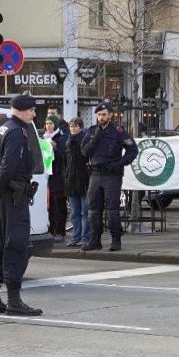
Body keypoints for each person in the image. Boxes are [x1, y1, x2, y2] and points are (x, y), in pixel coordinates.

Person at [0, 94, 43, 316]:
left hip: (1, 197)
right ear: (22, 110)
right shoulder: (16, 132)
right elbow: (7, 166)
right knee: (16, 247)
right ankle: (14, 301)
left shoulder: (1, 129)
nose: (34, 114)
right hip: (12, 198)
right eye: (32, 110)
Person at [81, 102, 138, 252]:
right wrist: (94, 139)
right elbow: (84, 152)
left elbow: (133, 150)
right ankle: (95, 240)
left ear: (111, 115)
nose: (101, 117)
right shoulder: (92, 131)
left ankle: (116, 240)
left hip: (112, 175)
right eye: (99, 115)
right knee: (93, 208)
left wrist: (120, 163)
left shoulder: (118, 131)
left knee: (112, 209)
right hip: (95, 174)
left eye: (104, 115)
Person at [64, 117, 91, 248]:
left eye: (75, 126)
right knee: (75, 212)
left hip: (84, 180)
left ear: (80, 127)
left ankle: (85, 237)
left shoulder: (85, 139)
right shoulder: (68, 141)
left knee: (85, 212)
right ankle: (76, 236)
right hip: (72, 181)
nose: (73, 128)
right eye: (71, 126)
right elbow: (66, 162)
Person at [44, 115, 68, 243]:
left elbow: (64, 156)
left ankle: (60, 231)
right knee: (50, 206)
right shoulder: (44, 138)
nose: (48, 126)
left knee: (59, 206)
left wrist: (55, 148)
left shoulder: (61, 138)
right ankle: (51, 230)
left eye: (51, 123)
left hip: (58, 177)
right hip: (47, 177)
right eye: (47, 123)